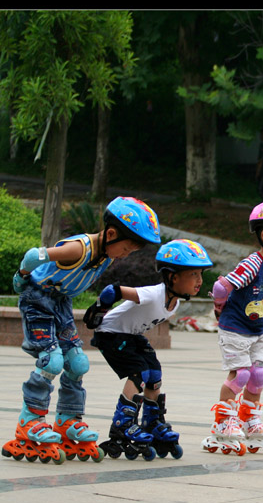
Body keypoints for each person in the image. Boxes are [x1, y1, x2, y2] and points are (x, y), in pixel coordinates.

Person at [2, 196, 162, 464]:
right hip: (37, 300)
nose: (125, 255)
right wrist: (20, 278)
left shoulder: (106, 254)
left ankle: (67, 420)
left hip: (61, 303)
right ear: (111, 234)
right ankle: (31, 421)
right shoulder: (79, 249)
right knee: (51, 362)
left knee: (78, 363)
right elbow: (33, 255)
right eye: (126, 249)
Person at [90, 239, 213, 461]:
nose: (199, 281)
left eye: (200, 274)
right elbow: (114, 290)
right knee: (138, 372)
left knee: (154, 372)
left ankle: (151, 422)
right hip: (110, 333)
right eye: (194, 274)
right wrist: (98, 311)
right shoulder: (154, 294)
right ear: (173, 277)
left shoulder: (174, 303)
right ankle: (122, 424)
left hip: (130, 335)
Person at [203, 199, 263, 456]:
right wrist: (219, 308)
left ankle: (249, 419)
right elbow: (220, 287)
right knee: (241, 375)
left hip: (258, 331)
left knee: (259, 376)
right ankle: (224, 421)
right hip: (235, 328)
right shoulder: (252, 264)